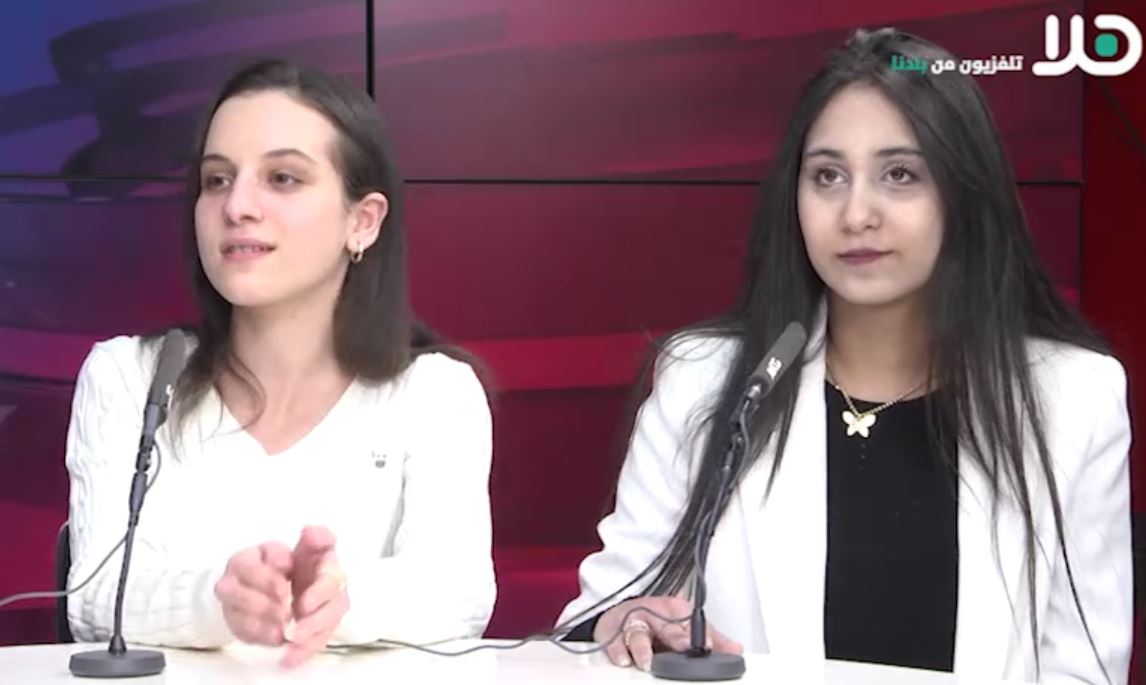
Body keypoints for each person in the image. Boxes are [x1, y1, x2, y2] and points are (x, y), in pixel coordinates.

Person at [557, 27, 1132, 684]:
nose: (856, 213)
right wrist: (625, 623)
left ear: (965, 192)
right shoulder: (707, 381)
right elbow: (601, 618)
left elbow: (1084, 668)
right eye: (827, 176)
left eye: (899, 174)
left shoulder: (1074, 398)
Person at [64, 59, 496, 667]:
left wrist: (332, 598)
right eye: (217, 180)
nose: (237, 206)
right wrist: (219, 601)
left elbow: (459, 592)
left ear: (362, 221)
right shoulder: (129, 376)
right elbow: (92, 599)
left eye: (283, 178)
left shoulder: (435, 392)